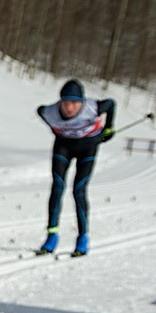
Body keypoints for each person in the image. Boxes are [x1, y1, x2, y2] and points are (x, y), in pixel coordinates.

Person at [35, 79, 115, 256]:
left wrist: (108, 129)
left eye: (74, 103)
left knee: (79, 190)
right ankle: (52, 236)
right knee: (57, 186)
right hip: (64, 146)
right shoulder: (50, 112)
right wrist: (57, 130)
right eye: (65, 102)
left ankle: (82, 238)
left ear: (82, 102)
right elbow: (40, 111)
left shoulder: (93, 108)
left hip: (88, 147)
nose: (69, 107)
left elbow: (111, 104)